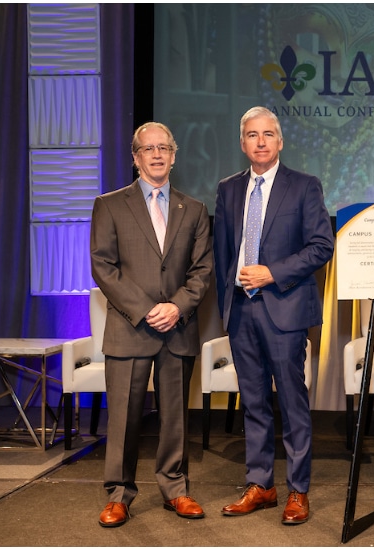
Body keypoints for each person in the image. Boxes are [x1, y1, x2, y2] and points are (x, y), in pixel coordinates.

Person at [213, 106, 334, 525]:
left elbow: (322, 246)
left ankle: (298, 490)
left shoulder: (304, 186)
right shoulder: (228, 190)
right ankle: (261, 485)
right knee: (254, 404)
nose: (260, 142)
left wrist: (272, 272)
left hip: (284, 309)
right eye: (252, 135)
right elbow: (223, 256)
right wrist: (226, 308)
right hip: (242, 312)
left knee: (293, 404)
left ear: (280, 142)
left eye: (268, 134)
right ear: (242, 143)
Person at [90, 122, 214, 527]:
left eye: (164, 147)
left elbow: (202, 271)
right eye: (149, 148)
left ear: (174, 155)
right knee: (124, 416)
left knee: (175, 417)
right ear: (136, 157)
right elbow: (103, 268)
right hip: (130, 328)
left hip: (178, 329)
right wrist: (147, 310)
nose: (157, 154)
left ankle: (175, 489)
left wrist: (175, 307)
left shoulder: (193, 209)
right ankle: (119, 494)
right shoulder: (109, 204)